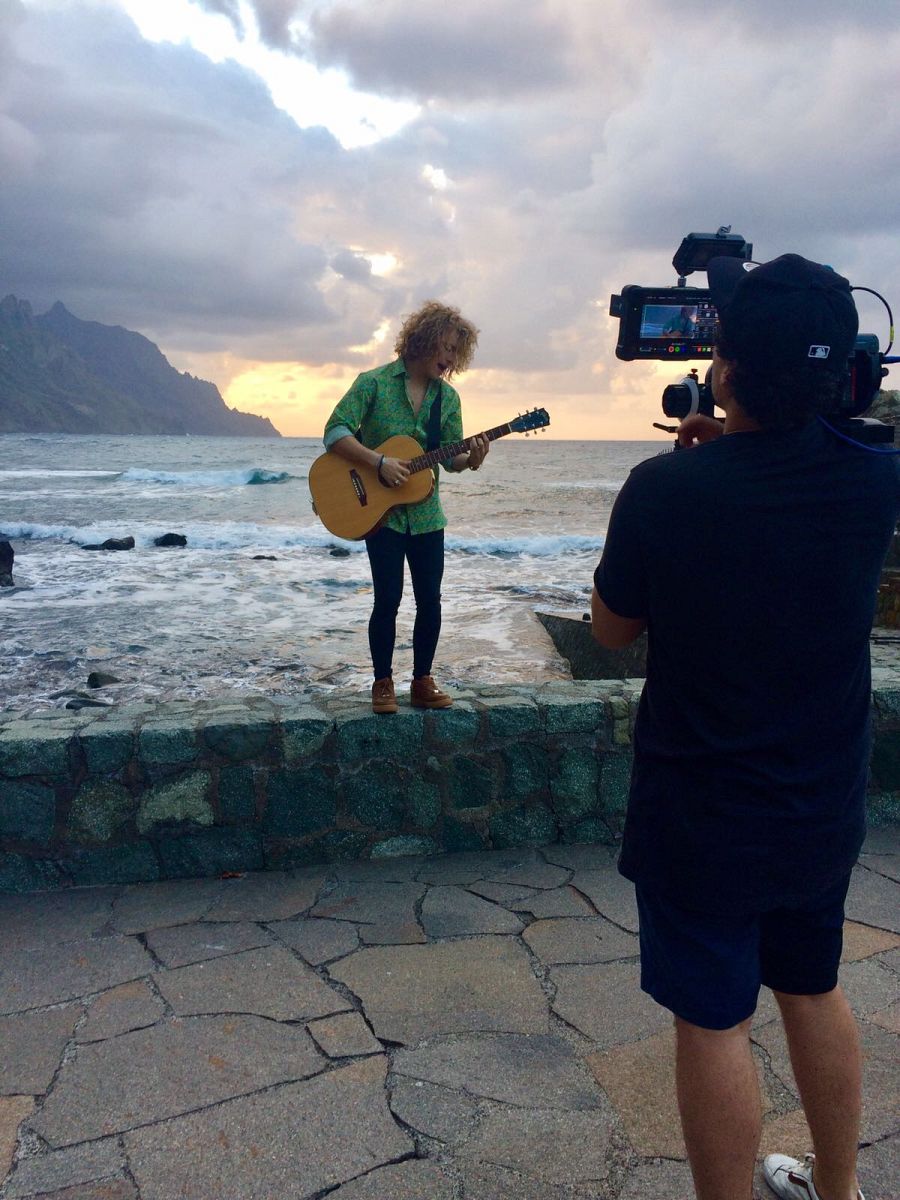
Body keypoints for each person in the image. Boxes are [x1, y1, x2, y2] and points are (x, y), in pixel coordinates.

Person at [591, 253, 899, 1200]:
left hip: (701, 813)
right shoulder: (876, 480)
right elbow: (825, 453)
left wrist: (704, 459)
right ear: (844, 371)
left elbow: (611, 630)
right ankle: (839, 1191)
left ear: (723, 368)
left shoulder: (666, 488)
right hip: (818, 805)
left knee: (714, 1021)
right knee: (813, 988)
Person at [323, 300, 489, 714]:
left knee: (430, 600)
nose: (450, 359)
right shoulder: (374, 383)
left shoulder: (447, 400)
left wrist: (472, 459)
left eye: (456, 353)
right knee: (388, 599)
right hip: (382, 515)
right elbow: (334, 431)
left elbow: (449, 459)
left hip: (428, 515)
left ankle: (422, 681)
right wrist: (377, 462)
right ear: (424, 339)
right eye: (447, 348)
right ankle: (382, 683)